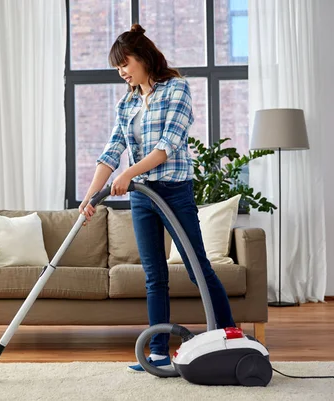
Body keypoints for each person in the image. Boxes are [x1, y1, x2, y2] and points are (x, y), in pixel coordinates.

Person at [78, 24, 236, 373]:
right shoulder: (127, 103)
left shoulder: (176, 90)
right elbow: (111, 153)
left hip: (174, 191)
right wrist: (91, 197)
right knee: (154, 275)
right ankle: (160, 351)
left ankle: (229, 336)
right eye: (117, 67)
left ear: (143, 57)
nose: (121, 72)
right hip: (142, 198)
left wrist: (128, 175)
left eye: (124, 63)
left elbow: (167, 146)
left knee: (197, 268)